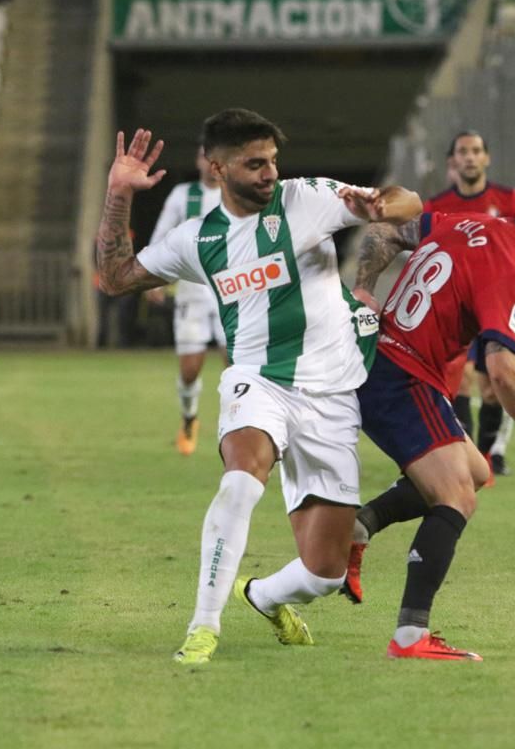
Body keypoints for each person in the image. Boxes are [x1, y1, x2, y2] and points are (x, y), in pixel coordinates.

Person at [95, 109, 421, 665]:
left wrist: (380, 204)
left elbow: (408, 202)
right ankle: (203, 625)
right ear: (218, 168)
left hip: (333, 395)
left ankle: (264, 596)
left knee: (326, 571)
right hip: (258, 381)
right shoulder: (197, 238)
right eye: (255, 163)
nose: (270, 172)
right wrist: (119, 195)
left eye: (272, 159)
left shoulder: (306, 199)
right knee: (242, 481)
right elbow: (115, 277)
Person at [346, 177, 515, 659]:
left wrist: (363, 286)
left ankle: (362, 524)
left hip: (391, 364)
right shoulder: (510, 270)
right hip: (399, 378)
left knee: (477, 470)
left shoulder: (470, 223)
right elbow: (503, 370)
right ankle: (411, 635)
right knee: (457, 494)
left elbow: (385, 230)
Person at [359, 129, 515, 476]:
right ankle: (461, 449)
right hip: (456, 311)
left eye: (476, 150)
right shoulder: (438, 206)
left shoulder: (509, 200)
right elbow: (418, 247)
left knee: (492, 385)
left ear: (486, 158)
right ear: (453, 161)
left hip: (493, 305)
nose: (469, 156)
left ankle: (491, 452)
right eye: (463, 151)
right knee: (462, 379)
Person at [143, 144, 224, 455]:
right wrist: (153, 276)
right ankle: (189, 418)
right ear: (198, 160)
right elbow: (162, 234)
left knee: (238, 364)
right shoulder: (183, 195)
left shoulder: (238, 194)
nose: (209, 163)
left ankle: (238, 426)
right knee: (190, 369)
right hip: (192, 292)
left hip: (230, 290)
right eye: (204, 156)